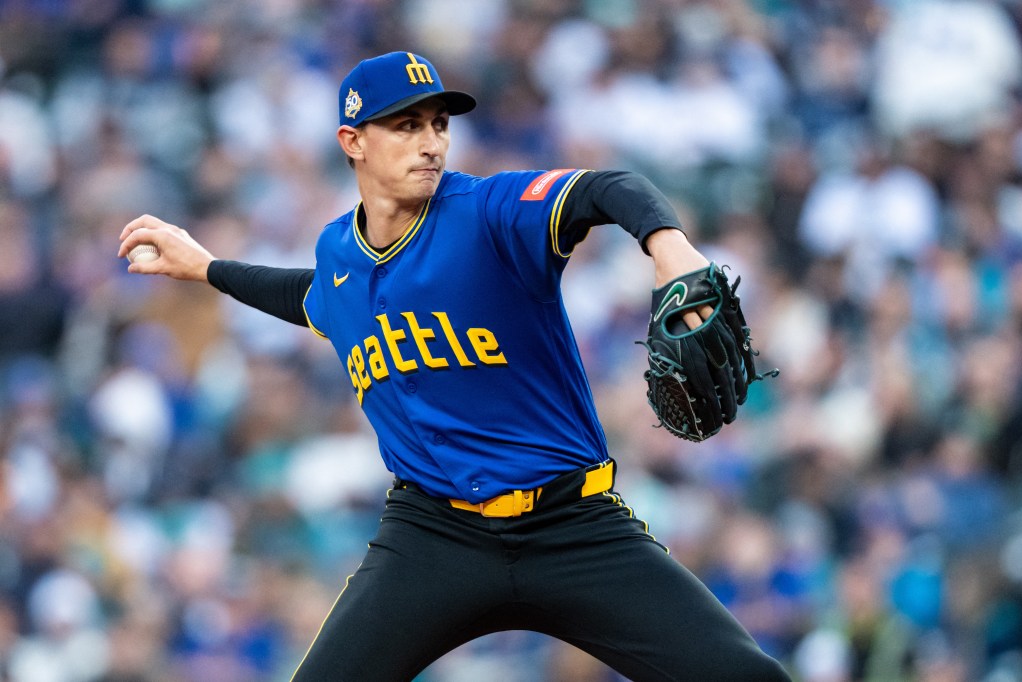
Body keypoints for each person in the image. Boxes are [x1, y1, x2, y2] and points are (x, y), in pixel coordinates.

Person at [118, 51, 790, 682]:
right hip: (433, 535)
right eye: (406, 125)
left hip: (572, 523)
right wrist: (206, 268)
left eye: (439, 123)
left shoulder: (488, 214)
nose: (432, 141)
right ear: (353, 141)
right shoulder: (339, 256)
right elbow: (314, 297)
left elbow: (607, 187)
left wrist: (668, 248)